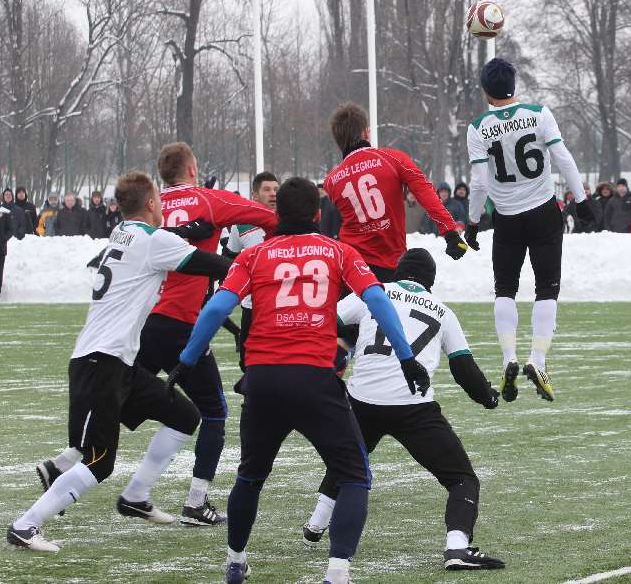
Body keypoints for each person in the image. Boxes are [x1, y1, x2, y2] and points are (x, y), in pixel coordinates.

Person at [170, 177, 425, 584]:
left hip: (263, 380)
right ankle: (337, 572)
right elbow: (376, 298)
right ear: (316, 214)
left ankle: (235, 563)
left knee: (250, 476)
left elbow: (217, 307)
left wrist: (185, 360)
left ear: (277, 215)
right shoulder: (338, 251)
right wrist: (407, 356)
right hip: (313, 378)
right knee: (355, 476)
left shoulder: (255, 256)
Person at [6, 171, 233, 553]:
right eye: (159, 200)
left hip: (117, 362)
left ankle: (135, 494)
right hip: (100, 362)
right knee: (100, 462)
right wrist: (257, 261)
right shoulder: (152, 240)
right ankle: (26, 525)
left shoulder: (122, 234)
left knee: (184, 416)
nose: (163, 206)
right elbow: (211, 264)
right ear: (149, 204)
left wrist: (184, 229)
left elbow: (164, 239)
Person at [302, 248, 504, 572]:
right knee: (462, 479)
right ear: (431, 281)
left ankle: (315, 525)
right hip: (413, 406)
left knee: (349, 460)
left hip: (362, 400)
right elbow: (463, 368)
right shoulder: (442, 312)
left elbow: (328, 319)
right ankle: (457, 547)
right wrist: (487, 397)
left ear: (398, 272)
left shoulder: (374, 292)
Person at [132, 142, 278, 526]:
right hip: (181, 323)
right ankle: (195, 502)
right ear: (193, 169)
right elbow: (264, 217)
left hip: (144, 320)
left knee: (126, 394)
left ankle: (70, 462)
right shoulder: (209, 201)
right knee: (214, 412)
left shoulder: (153, 206)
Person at [465, 57, 594, 402]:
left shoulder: (478, 126)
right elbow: (563, 158)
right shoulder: (539, 113)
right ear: (514, 84)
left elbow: (478, 182)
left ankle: (508, 358)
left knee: (504, 289)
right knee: (546, 288)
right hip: (544, 212)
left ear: (485, 91)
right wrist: (581, 200)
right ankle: (537, 359)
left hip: (506, 217)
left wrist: (474, 222)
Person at [323, 103, 468, 281]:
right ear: (366, 132)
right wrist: (450, 233)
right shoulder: (394, 158)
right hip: (391, 265)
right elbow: (426, 193)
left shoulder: (331, 181)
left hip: (352, 268)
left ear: (338, 141)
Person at [225, 171, 279, 371]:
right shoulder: (241, 225)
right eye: (267, 189)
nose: (273, 194)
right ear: (255, 195)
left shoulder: (291, 221)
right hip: (252, 306)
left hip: (281, 305)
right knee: (247, 363)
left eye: (276, 189)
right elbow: (229, 259)